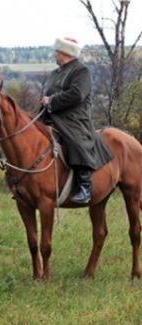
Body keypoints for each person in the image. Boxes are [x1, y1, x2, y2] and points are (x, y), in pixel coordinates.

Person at [40, 37, 114, 204]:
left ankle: (85, 187)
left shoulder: (81, 71)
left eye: (56, 52)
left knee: (75, 142)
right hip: (52, 116)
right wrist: (45, 102)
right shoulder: (55, 73)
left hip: (74, 119)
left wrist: (51, 100)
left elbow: (77, 94)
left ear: (65, 53)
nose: (54, 55)